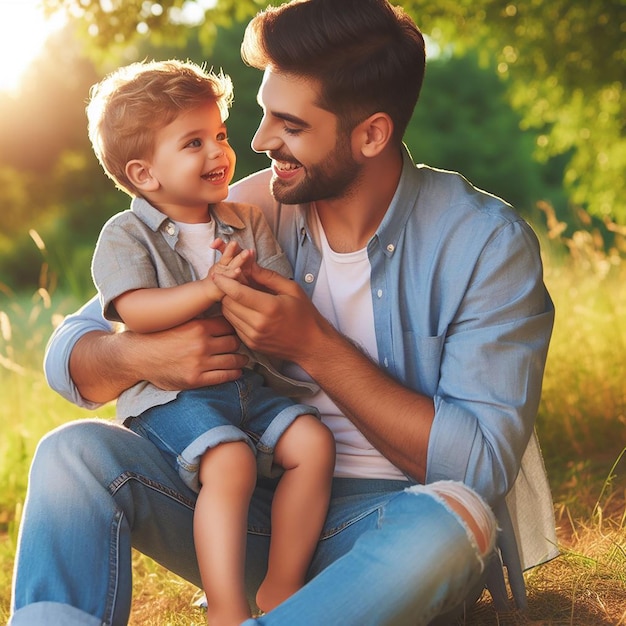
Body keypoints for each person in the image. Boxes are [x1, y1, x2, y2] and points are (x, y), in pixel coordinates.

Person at [9, 1, 557, 624]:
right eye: (266, 114)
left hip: (387, 528)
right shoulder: (245, 210)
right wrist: (141, 353)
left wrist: (313, 345)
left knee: (456, 519)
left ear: (371, 134)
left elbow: (481, 468)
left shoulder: (484, 244)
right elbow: (70, 357)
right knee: (72, 454)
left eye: (289, 125)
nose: (258, 140)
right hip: (247, 512)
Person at [85, 59, 335, 625]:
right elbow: (136, 311)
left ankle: (280, 586)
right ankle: (225, 607)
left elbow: (281, 294)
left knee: (313, 445)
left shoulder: (245, 220)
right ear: (145, 174)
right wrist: (208, 290)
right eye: (193, 142)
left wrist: (252, 288)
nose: (219, 151)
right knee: (231, 461)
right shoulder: (125, 234)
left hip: (247, 384)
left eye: (219, 135)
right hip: (173, 399)